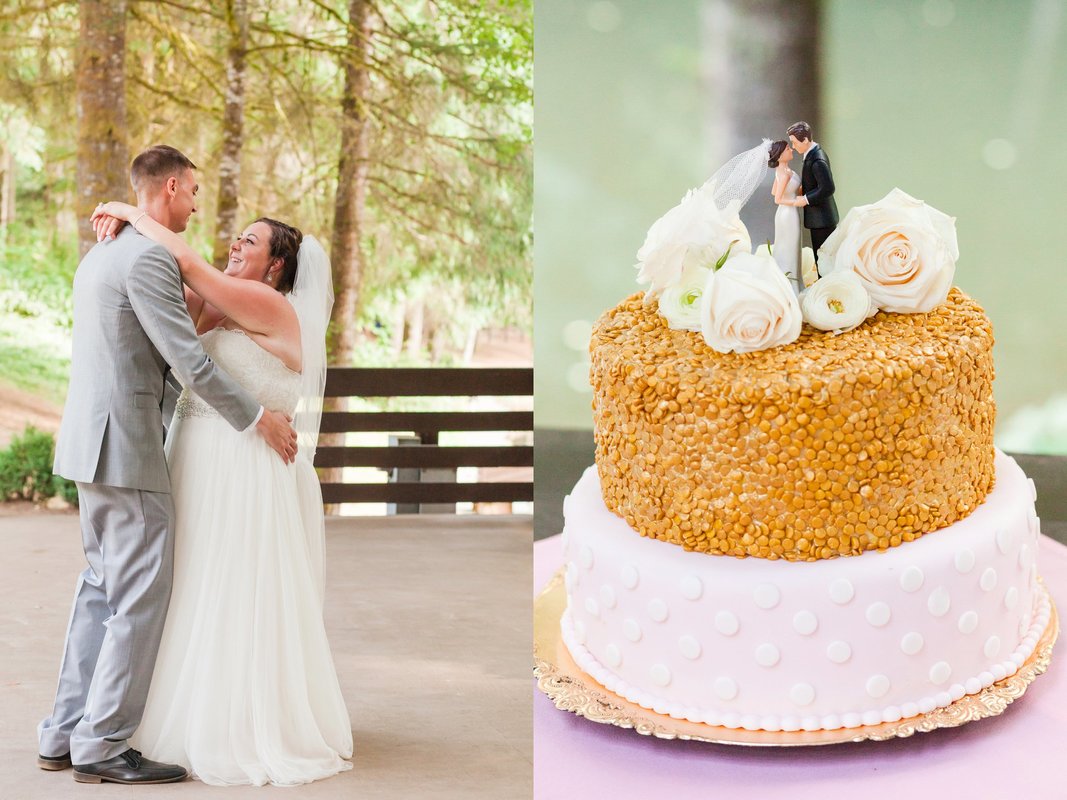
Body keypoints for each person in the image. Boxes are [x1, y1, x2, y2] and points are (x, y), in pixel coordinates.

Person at [40, 145, 298, 786]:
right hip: (126, 448)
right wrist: (257, 418)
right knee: (139, 595)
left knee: (100, 588)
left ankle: (62, 733)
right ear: (174, 187)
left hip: (89, 445)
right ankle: (101, 743)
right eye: (193, 194)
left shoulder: (102, 253)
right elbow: (190, 362)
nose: (196, 205)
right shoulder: (149, 256)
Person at [89, 195, 354, 786]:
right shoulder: (223, 303)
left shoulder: (266, 303)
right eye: (236, 237)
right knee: (186, 578)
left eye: (250, 242)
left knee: (232, 583)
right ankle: (157, 709)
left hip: (242, 465)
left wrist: (132, 214)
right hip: (196, 454)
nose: (235, 245)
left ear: (277, 267)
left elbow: (185, 263)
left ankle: (232, 721)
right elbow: (175, 330)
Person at [787, 121, 839, 276]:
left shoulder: (817, 160)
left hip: (822, 218)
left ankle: (826, 284)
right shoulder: (811, 155)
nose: (794, 147)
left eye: (795, 143)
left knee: (823, 255)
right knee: (821, 255)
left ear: (805, 140)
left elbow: (828, 188)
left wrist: (806, 199)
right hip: (818, 217)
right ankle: (823, 282)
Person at [767, 139, 804, 293]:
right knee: (788, 247)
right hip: (787, 214)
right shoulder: (784, 174)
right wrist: (796, 201)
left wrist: (797, 191)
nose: (791, 150)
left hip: (786, 212)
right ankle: (790, 287)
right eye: (788, 148)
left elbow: (774, 191)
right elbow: (777, 199)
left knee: (791, 246)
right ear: (780, 155)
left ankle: (792, 281)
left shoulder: (784, 172)